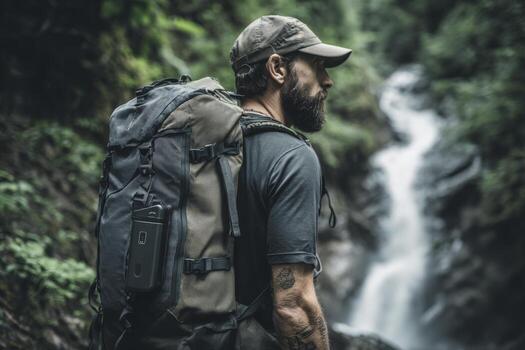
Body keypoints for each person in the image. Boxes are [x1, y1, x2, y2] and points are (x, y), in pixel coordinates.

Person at [231, 15, 352, 350]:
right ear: (277, 69)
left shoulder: (206, 144)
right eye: (317, 66)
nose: (328, 81)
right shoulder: (290, 157)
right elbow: (292, 306)